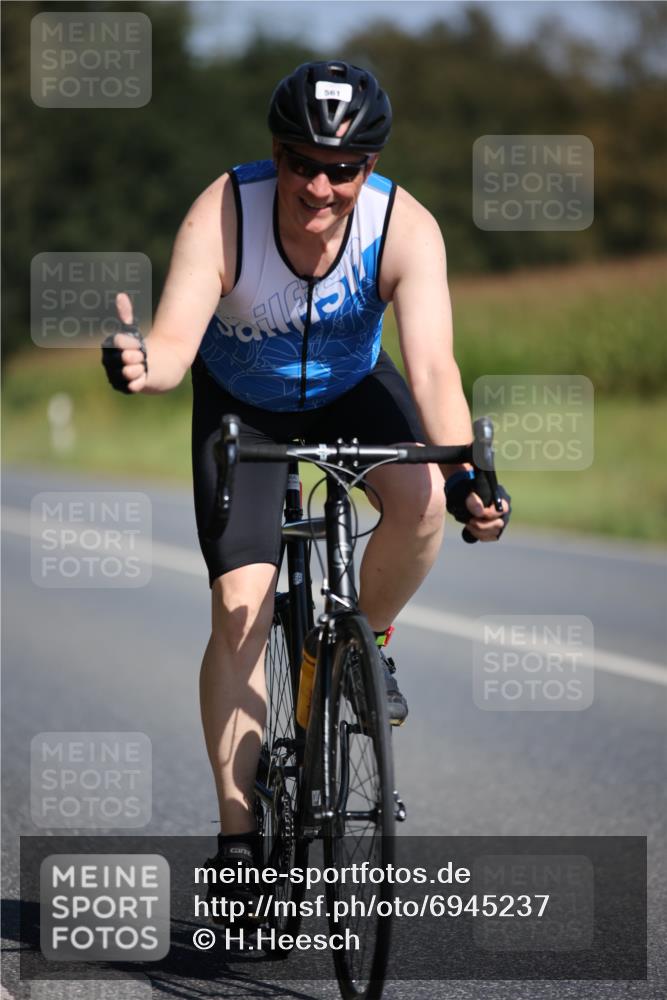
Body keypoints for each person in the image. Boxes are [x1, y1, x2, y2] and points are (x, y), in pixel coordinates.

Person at [102, 60, 510, 912]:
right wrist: (143, 367)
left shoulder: (405, 227)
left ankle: (364, 647)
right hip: (240, 407)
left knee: (423, 500)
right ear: (275, 155)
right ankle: (241, 845)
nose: (318, 185)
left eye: (342, 168)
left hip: (351, 386)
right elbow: (175, 342)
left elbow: (432, 366)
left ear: (368, 168)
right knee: (240, 608)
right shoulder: (225, 213)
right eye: (300, 161)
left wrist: (466, 467)